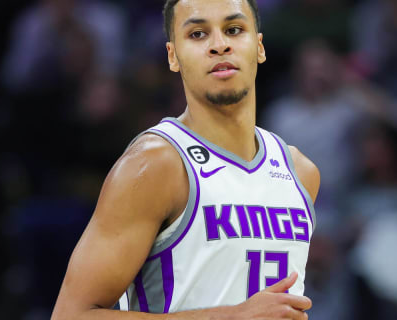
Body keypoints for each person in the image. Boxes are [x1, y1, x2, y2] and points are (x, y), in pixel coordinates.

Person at [51, 0, 320, 319]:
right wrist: (229, 317)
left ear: (259, 47)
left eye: (234, 30)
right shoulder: (155, 164)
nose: (219, 45)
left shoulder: (300, 172)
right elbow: (71, 314)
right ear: (173, 56)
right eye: (198, 34)